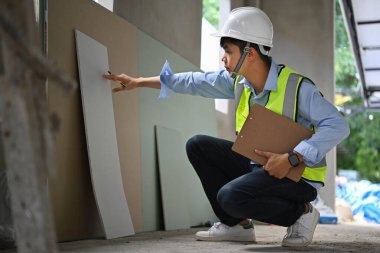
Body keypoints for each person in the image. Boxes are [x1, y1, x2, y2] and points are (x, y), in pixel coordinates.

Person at [105, 7, 349, 247]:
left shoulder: (298, 88)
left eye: (228, 51)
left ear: (250, 53)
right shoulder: (238, 83)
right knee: (198, 145)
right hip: (261, 166)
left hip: (298, 179)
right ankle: (238, 226)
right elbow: (194, 82)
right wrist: (139, 82)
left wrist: (293, 158)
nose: (223, 58)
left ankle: (302, 213)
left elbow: (338, 125)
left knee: (230, 196)